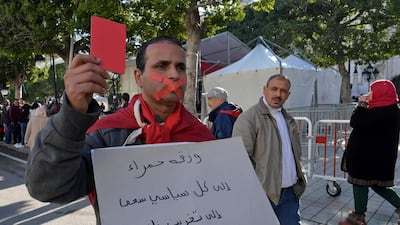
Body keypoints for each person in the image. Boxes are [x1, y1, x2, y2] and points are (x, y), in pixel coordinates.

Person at [25, 36, 215, 225]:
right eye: (162, 66)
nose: (174, 74)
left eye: (180, 67)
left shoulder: (203, 136)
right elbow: (47, 187)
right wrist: (71, 116)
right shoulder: (106, 135)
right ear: (139, 77)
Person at [232, 74, 307, 225]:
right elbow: (240, 160)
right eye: (274, 89)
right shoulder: (249, 118)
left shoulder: (288, 119)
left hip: (290, 195)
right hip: (263, 196)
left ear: (288, 94)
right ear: (265, 90)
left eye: (283, 91)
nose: (278, 94)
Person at [339, 79, 400, 225]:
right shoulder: (394, 111)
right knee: (378, 185)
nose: (370, 93)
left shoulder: (377, 111)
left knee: (360, 184)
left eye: (372, 90)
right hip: (381, 159)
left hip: (365, 159)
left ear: (380, 93)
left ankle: (359, 216)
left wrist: (361, 104)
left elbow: (355, 121)